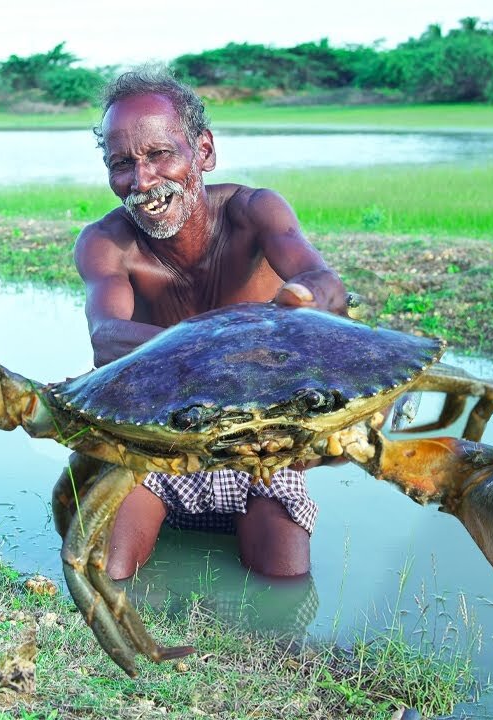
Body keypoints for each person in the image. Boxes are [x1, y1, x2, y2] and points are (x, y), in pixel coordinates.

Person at [73, 69, 349, 582]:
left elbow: (323, 281)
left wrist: (313, 304)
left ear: (203, 151)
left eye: (159, 154)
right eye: (121, 164)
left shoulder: (256, 211)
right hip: (156, 448)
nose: (142, 181)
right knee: (104, 576)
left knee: (284, 585)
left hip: (259, 449)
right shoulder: (104, 243)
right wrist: (228, 341)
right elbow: (107, 338)